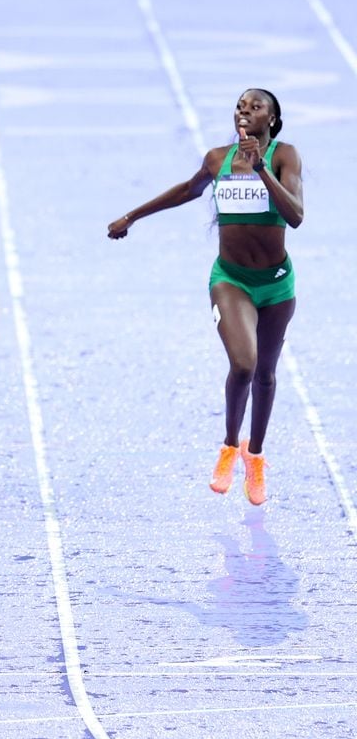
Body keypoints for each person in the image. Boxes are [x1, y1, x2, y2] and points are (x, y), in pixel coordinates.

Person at [108, 89, 303, 505]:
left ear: (273, 119)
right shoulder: (218, 160)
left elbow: (296, 216)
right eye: (240, 105)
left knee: (266, 373)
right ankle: (230, 445)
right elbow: (185, 190)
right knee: (244, 363)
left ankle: (255, 456)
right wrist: (132, 217)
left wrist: (262, 170)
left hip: (277, 283)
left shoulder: (285, 156)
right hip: (231, 279)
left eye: (255, 106)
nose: (244, 111)